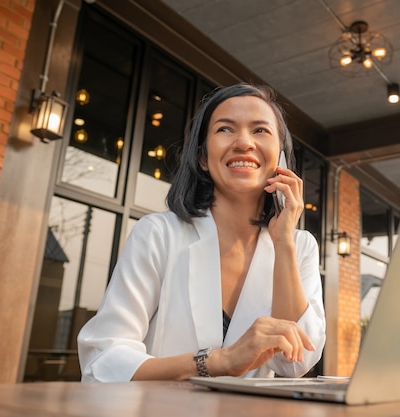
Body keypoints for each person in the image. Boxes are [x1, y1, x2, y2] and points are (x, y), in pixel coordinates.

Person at [77, 83, 326, 382]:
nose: (244, 142)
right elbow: (103, 361)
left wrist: (284, 242)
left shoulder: (300, 246)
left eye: (260, 130)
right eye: (225, 129)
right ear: (203, 158)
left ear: (280, 159)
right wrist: (218, 362)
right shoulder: (159, 234)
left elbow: (296, 362)